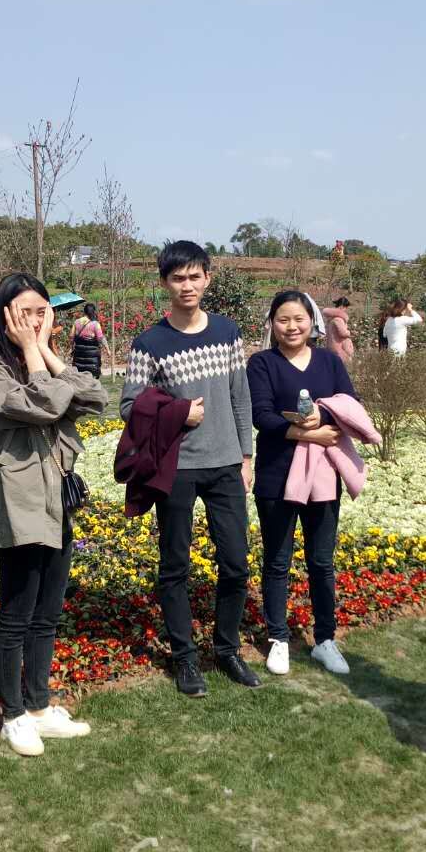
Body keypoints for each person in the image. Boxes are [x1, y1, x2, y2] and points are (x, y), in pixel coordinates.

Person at [0, 273, 107, 757]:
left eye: (43, 312)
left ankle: (40, 706)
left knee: (47, 611)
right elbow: (46, 405)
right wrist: (34, 353)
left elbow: (95, 398)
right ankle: (13, 714)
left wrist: (42, 351)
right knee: (17, 614)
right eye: (26, 313)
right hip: (20, 499)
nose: (37, 320)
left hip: (57, 499)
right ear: (3, 317)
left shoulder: (38, 358)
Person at [120, 241, 258, 697]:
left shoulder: (227, 332)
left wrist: (246, 456)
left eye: (194, 276)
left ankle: (227, 648)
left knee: (235, 563)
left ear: (207, 279)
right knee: (174, 564)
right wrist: (179, 413)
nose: (187, 285)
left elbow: (240, 397)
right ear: (165, 283)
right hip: (176, 468)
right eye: (178, 278)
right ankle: (184, 657)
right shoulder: (149, 343)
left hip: (225, 464)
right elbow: (129, 406)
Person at [248, 291, 360, 676]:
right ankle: (278, 638)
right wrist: (308, 434)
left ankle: (325, 640)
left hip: (323, 477)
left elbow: (351, 404)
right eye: (283, 319)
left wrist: (323, 417)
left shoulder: (329, 362)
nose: (292, 327)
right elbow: (261, 415)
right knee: (278, 560)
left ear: (312, 321)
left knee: (321, 561)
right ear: (272, 324)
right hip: (276, 476)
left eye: (299, 319)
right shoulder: (262, 364)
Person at [71, 302, 105, 378]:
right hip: (92, 358)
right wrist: (106, 349)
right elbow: (100, 338)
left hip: (79, 354)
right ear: (93, 311)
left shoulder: (76, 322)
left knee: (80, 376)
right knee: (92, 377)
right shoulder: (95, 324)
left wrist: (72, 347)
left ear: (84, 311)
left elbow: (71, 336)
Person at [321, 297, 354, 365]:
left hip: (332, 344)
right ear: (342, 306)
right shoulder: (338, 319)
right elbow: (343, 333)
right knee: (342, 366)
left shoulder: (331, 318)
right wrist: (349, 332)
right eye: (346, 307)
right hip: (340, 347)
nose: (346, 310)